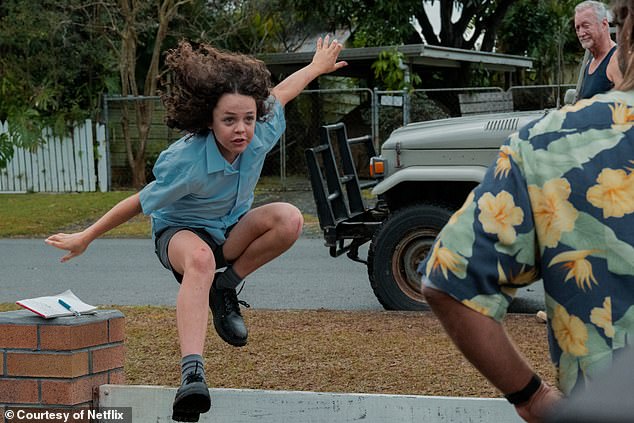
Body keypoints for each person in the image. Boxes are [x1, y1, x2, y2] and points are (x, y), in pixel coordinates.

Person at [45, 36, 347, 422]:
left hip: (230, 229)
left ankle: (226, 288)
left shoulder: (261, 132)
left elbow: (282, 92)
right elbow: (139, 201)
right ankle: (192, 376)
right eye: (229, 120)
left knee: (290, 218)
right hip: (181, 234)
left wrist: (316, 66)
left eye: (249, 119)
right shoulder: (186, 161)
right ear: (209, 119)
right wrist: (86, 236)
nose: (242, 129)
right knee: (201, 260)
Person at [420, 0, 634, 421]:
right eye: (576, 26)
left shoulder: (549, 142)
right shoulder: (586, 70)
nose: (580, 32)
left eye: (587, 24)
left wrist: (531, 396)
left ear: (620, 29)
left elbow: (449, 279)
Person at [576, 0, 623, 99]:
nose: (581, 33)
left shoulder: (617, 60)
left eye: (586, 26)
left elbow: (627, 108)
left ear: (604, 24)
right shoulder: (589, 63)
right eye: (577, 28)